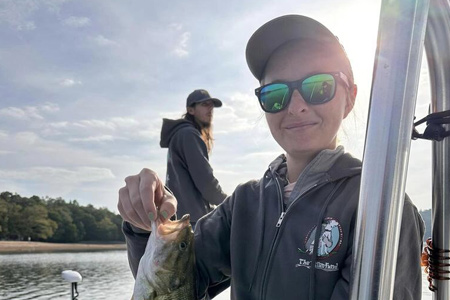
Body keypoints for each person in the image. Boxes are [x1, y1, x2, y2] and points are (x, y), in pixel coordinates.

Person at [118, 15, 425, 299]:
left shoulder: (383, 209)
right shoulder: (242, 204)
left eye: (319, 87)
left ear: (350, 97)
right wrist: (144, 226)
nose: (296, 106)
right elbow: (172, 281)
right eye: (276, 93)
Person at [160, 89, 227, 226]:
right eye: (204, 104)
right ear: (191, 110)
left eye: (211, 105)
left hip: (181, 218)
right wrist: (230, 203)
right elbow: (206, 181)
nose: (210, 109)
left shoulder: (180, 135)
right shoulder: (189, 135)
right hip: (193, 220)